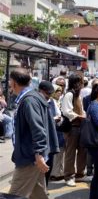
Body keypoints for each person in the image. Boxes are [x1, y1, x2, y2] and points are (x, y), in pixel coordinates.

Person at [8, 69, 59, 199]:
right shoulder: (33, 97)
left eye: (10, 81)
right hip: (33, 157)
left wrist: (39, 154)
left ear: (14, 83)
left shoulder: (29, 100)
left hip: (30, 158)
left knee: (15, 195)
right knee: (38, 194)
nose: (9, 84)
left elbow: (38, 129)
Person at [61, 74, 87, 187]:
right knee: (70, 153)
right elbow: (67, 111)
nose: (82, 84)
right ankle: (69, 176)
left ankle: (80, 174)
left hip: (80, 127)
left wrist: (84, 115)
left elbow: (81, 110)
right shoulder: (69, 95)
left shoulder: (77, 95)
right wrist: (80, 116)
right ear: (77, 83)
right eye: (81, 82)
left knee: (82, 151)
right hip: (72, 127)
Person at [50, 84, 66, 181]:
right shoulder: (51, 102)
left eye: (60, 91)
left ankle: (60, 172)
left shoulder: (58, 101)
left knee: (60, 152)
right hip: (56, 129)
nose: (59, 93)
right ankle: (55, 173)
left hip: (60, 129)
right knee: (57, 152)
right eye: (57, 91)